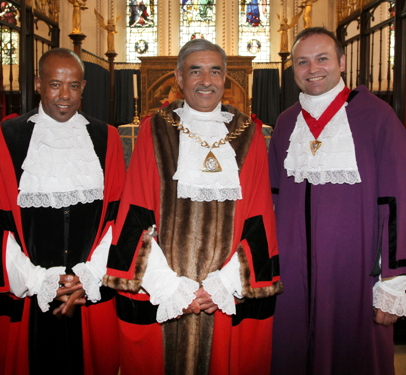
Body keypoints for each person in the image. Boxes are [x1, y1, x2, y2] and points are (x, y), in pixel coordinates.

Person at [104, 38, 282, 375]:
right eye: (195, 71)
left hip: (226, 290)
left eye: (215, 71)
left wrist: (221, 287)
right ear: (179, 77)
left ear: (225, 77)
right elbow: (136, 212)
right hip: (166, 288)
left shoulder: (249, 134)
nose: (206, 81)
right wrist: (173, 289)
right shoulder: (154, 130)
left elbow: (260, 217)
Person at [268, 27, 406, 375]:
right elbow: (272, 201)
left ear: (342, 62)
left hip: (358, 276)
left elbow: (401, 202)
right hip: (293, 280)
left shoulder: (376, 118)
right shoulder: (286, 124)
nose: (312, 68)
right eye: (302, 61)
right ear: (293, 70)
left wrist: (393, 285)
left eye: (322, 58)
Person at [0, 48, 125, 375]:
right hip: (28, 290)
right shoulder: (1, 139)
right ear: (38, 83)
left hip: (89, 287)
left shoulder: (107, 138)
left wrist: (88, 275)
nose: (64, 96)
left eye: (74, 86)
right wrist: (40, 280)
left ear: (83, 87)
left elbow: (117, 219)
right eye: (55, 84)